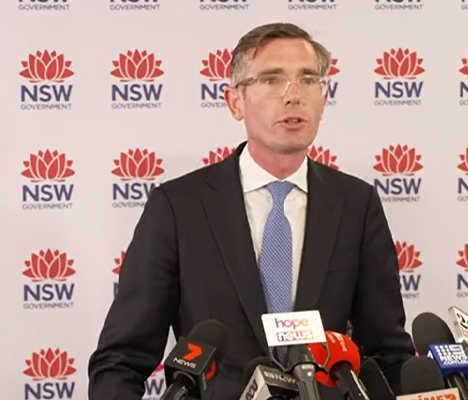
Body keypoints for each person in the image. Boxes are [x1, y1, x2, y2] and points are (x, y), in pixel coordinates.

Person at [88, 22, 415, 400]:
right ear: (235, 102)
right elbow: (120, 361)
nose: (293, 96)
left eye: (309, 80)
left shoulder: (356, 204)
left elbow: (387, 354)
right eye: (272, 80)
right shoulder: (179, 208)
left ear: (324, 98)